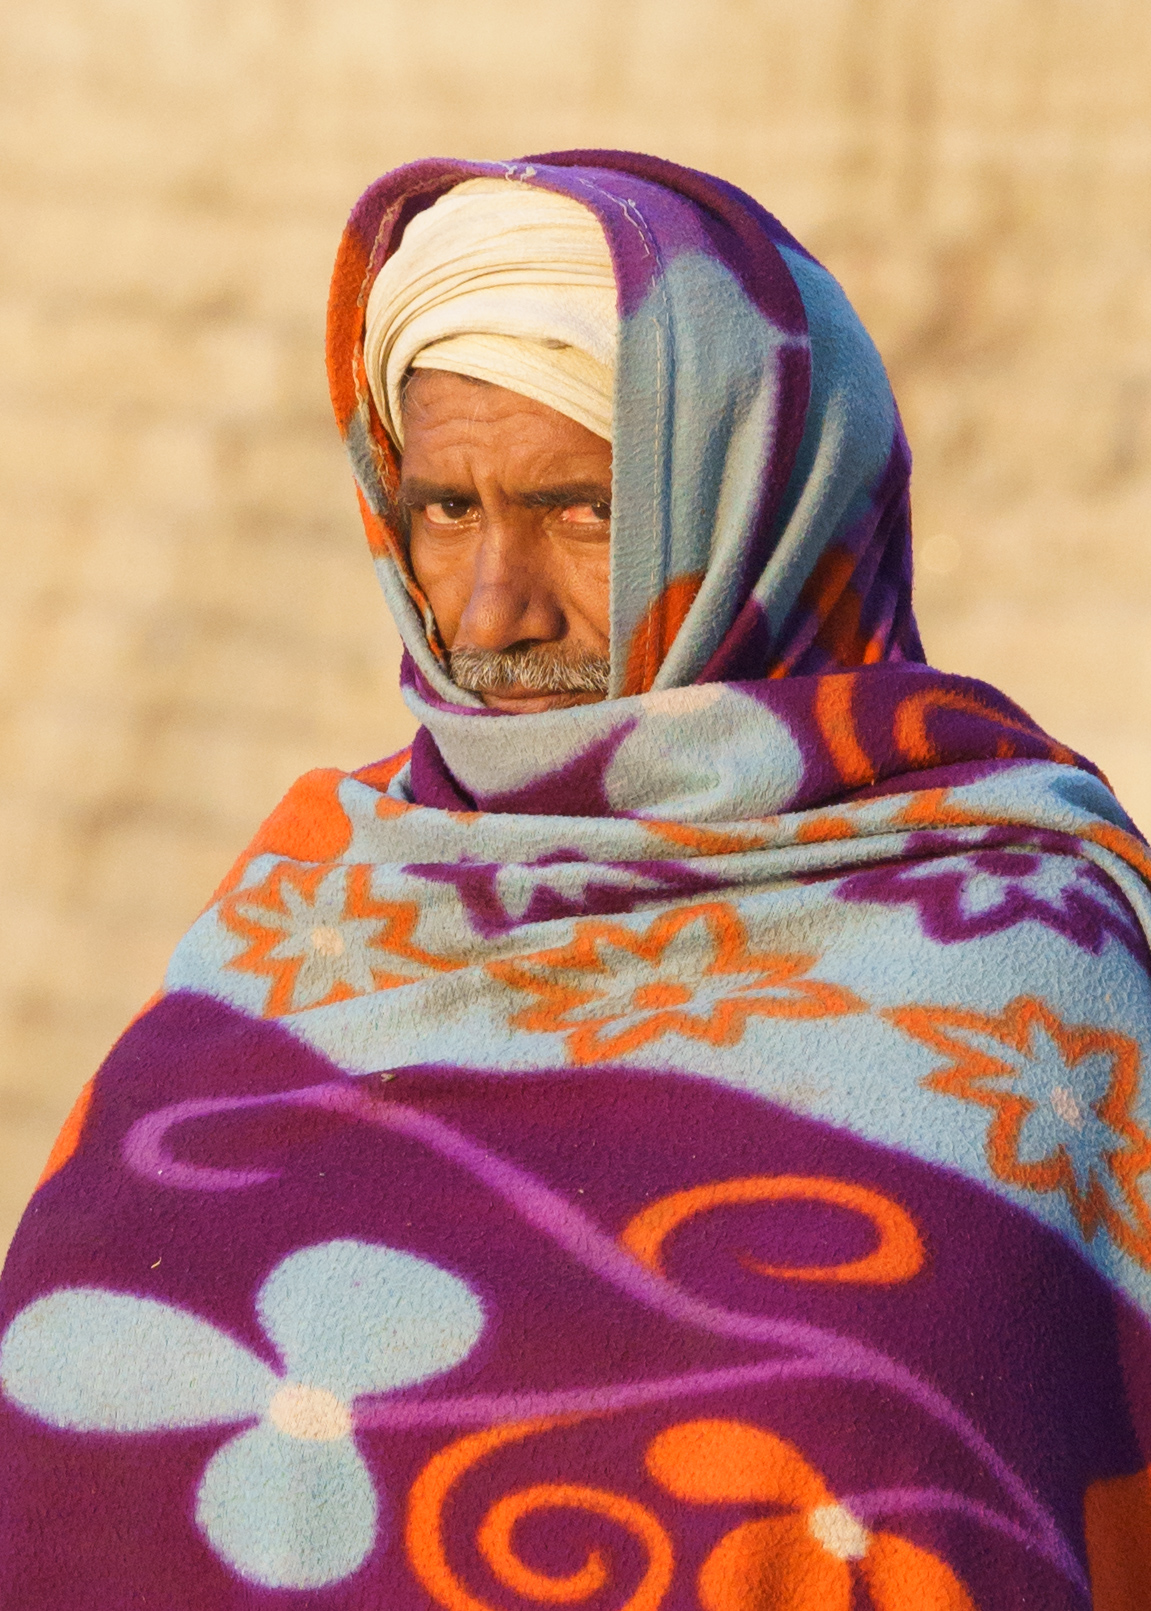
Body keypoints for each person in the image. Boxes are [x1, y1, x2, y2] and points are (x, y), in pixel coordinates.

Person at [2, 150, 1151, 1610]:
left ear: (764, 509)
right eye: (445, 508)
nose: (493, 605)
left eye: (585, 509)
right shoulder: (312, 912)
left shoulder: (1025, 954)